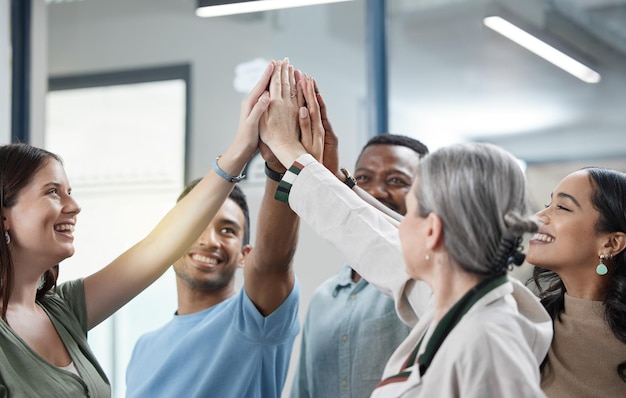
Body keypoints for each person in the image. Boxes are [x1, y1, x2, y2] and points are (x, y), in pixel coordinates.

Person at [0, 58, 280, 397]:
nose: (73, 207)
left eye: (70, 193)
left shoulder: (62, 310)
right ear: (4, 216)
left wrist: (241, 149)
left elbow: (158, 247)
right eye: (53, 192)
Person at [260, 74, 553, 397]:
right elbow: (370, 237)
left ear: (432, 230)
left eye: (410, 211)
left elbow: (375, 240)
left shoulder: (486, 338)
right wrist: (321, 174)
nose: (395, 226)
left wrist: (288, 149)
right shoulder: (458, 303)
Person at [124, 58, 304, 398]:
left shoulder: (253, 320)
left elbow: (273, 262)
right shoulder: (143, 348)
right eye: (197, 227)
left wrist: (280, 163)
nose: (209, 241)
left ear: (244, 255)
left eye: (228, 230)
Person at [290, 132, 429, 398]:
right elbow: (304, 389)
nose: (376, 191)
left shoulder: (424, 282)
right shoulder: (323, 298)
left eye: (396, 180)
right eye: (363, 178)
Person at [526, 167, 626, 397]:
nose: (537, 217)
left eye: (562, 207)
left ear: (611, 244)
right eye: (547, 205)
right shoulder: (528, 322)